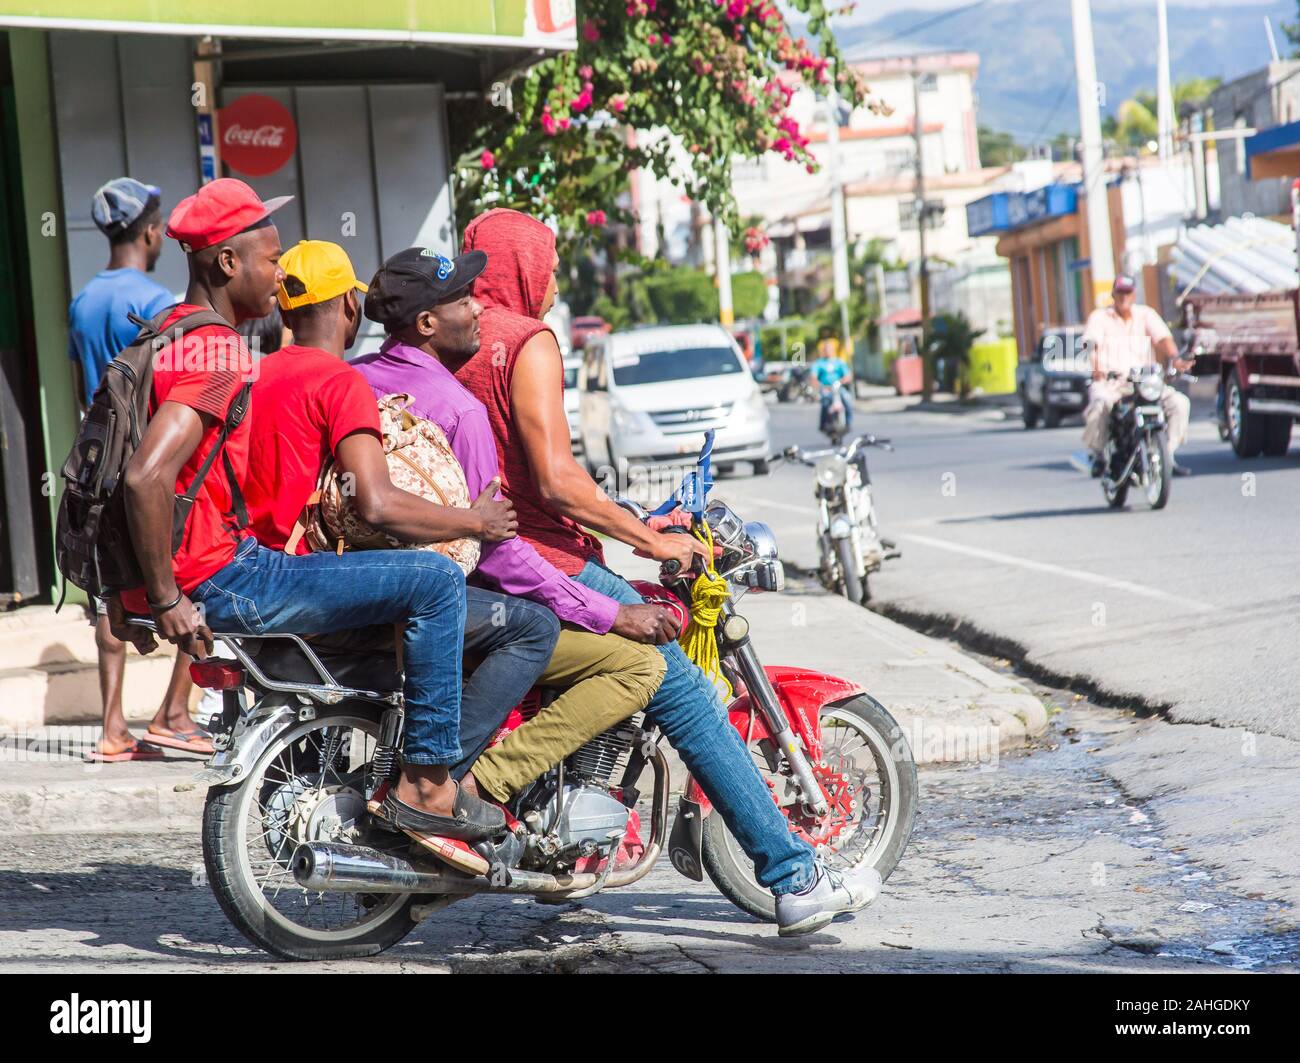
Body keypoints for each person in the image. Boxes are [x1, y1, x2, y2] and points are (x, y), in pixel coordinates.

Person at [455, 208, 881, 937]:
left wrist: (618, 512)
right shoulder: (524, 342)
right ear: (522, 266)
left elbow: (523, 473)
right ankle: (794, 874)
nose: (555, 280)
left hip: (482, 564)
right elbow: (555, 483)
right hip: (543, 560)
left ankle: (569, 832)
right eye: (549, 265)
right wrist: (648, 541)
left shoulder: (451, 338)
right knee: (680, 685)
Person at [107, 178, 505, 842]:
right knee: (435, 582)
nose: (278, 275)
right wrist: (166, 595)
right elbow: (145, 474)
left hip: (213, 566)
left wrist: (129, 594)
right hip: (228, 573)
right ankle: (428, 783)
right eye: (269, 259)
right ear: (227, 264)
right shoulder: (220, 352)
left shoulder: (168, 334)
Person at [244, 239, 573, 806]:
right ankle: (431, 780)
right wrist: (474, 521)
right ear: (350, 305)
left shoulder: (259, 375)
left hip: (254, 572)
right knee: (494, 612)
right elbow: (376, 504)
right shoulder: (341, 383)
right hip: (309, 580)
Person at [352, 245, 669, 803]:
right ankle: (471, 786)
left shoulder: (355, 380)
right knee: (636, 665)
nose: (477, 310)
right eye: (462, 300)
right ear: (427, 323)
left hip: (357, 592)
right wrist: (611, 612)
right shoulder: (457, 410)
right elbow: (496, 548)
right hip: (443, 603)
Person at [67, 177, 200, 761]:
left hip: (96, 462)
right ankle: (174, 713)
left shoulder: (82, 301)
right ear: (150, 231)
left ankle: (113, 727)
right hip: (145, 458)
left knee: (109, 591)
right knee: (185, 582)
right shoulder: (154, 301)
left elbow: (83, 390)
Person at [1082, 274, 1193, 477]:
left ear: (1134, 294)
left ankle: (1166, 456)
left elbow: (1163, 338)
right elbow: (1090, 344)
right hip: (1112, 383)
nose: (1123, 296)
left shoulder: (1146, 314)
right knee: (1100, 405)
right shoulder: (1100, 317)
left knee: (1180, 403)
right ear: (1113, 294)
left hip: (1145, 382)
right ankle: (1098, 454)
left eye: (1127, 292)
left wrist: (1175, 358)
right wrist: (1096, 367)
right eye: (1120, 292)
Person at [811, 344, 853, 434]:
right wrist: (821, 386)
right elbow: (813, 377)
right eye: (826, 350)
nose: (828, 352)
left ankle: (848, 423)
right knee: (825, 402)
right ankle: (824, 425)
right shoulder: (819, 363)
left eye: (830, 350)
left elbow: (848, 375)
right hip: (826, 388)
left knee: (847, 400)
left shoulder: (839, 362)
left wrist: (840, 382)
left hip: (838, 388)